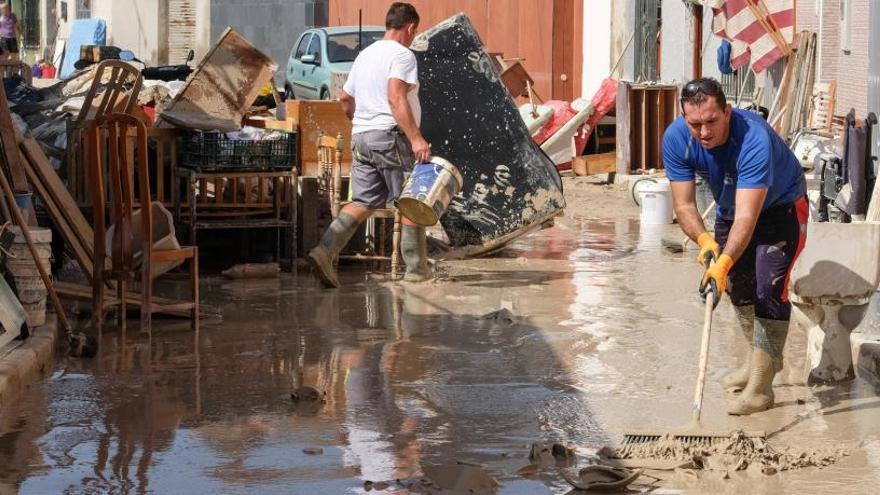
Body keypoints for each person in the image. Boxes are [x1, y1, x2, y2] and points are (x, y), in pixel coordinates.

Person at [663, 78, 807, 416]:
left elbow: (748, 216)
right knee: (736, 289)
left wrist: (724, 260)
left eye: (712, 121)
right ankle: (762, 358)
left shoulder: (753, 139)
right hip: (731, 209)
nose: (703, 132)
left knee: (768, 288)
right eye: (695, 123)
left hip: (781, 207)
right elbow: (683, 206)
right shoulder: (676, 138)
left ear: (727, 111)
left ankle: (761, 387)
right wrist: (705, 242)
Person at [307, 2, 432, 288]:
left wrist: (362, 122)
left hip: (362, 137)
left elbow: (345, 100)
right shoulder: (402, 55)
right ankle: (416, 273)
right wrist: (416, 138)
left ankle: (324, 251)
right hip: (390, 136)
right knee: (411, 201)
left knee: (364, 200)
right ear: (410, 27)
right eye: (415, 32)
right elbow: (396, 98)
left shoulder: (364, 55)